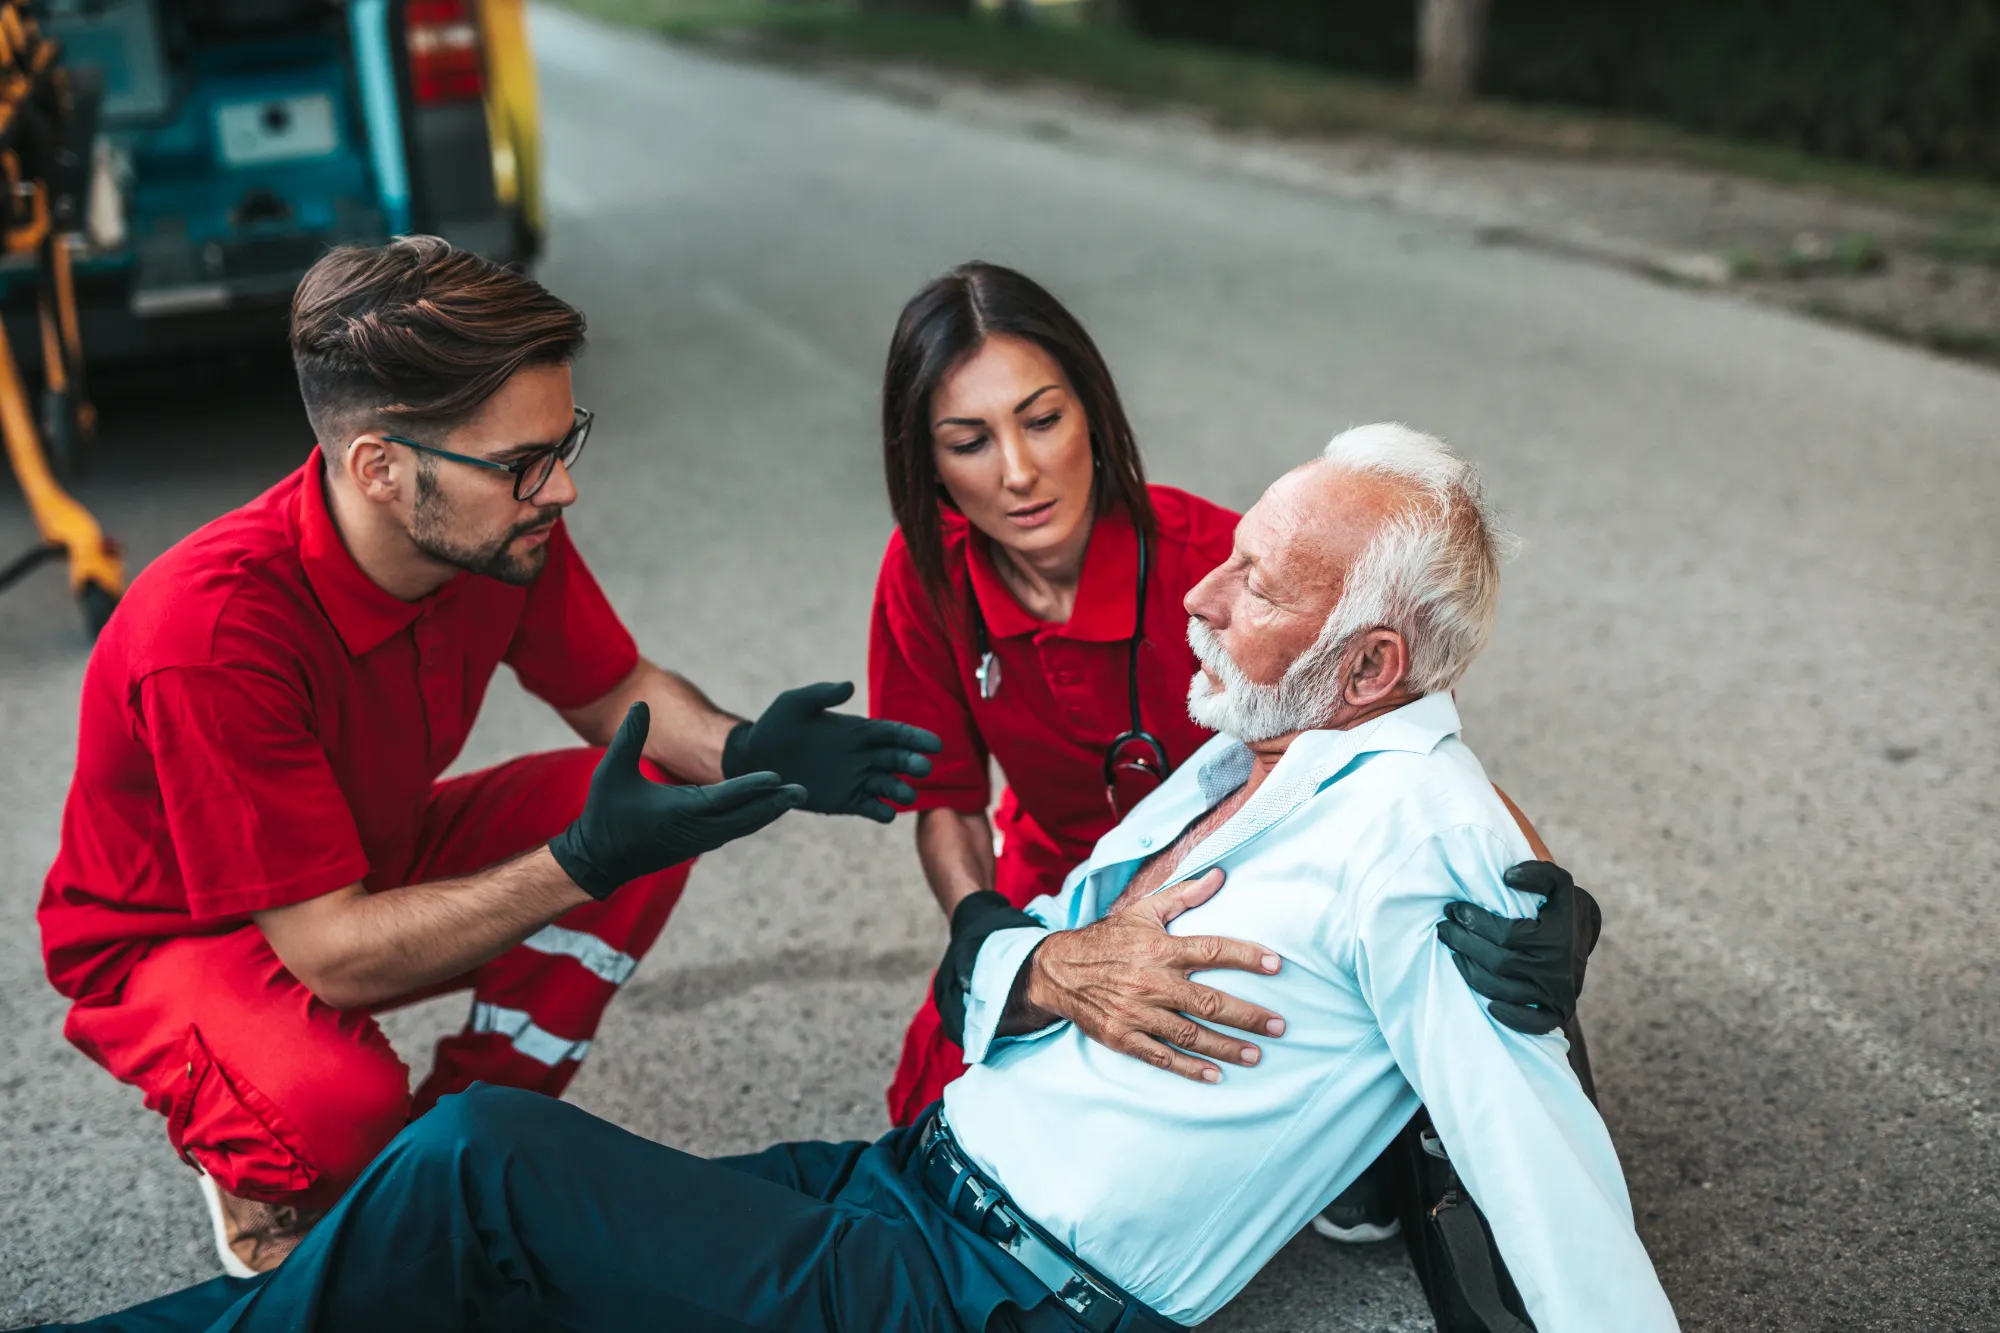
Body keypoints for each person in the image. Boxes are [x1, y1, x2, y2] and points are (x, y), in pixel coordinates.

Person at [34, 424, 1674, 1333]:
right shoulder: (1250, 740)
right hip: (918, 1174)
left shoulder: (1425, 852)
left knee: (480, 1170)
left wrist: (1549, 917)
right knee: (478, 1258)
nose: (1201, 596)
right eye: (1227, 554)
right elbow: (1005, 937)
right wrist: (1028, 957)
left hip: (984, 1288)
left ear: (1370, 657)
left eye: (1251, 585)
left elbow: (1552, 1178)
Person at [34, 237, 939, 1276]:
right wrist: (575, 865)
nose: (560, 490)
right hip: (176, 938)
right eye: (522, 464)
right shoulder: (212, 635)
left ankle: (459, 1131)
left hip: (359, 864)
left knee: (643, 789)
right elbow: (329, 952)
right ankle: (270, 1171)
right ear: (380, 466)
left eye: (563, 444)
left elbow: (613, 694)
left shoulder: (495, 531)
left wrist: (744, 749)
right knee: (335, 1110)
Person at [868, 262, 1597, 1240]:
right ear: (928, 461)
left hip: (1243, 877)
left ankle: (1368, 1124)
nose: (1015, 471)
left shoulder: (1222, 560)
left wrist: (1542, 891)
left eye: (1040, 419)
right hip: (1056, 884)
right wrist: (995, 939)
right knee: (940, 1134)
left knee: (1403, 1035)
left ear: (1093, 410)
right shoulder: (922, 574)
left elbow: (1413, 737)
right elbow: (948, 798)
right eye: (968, 440)